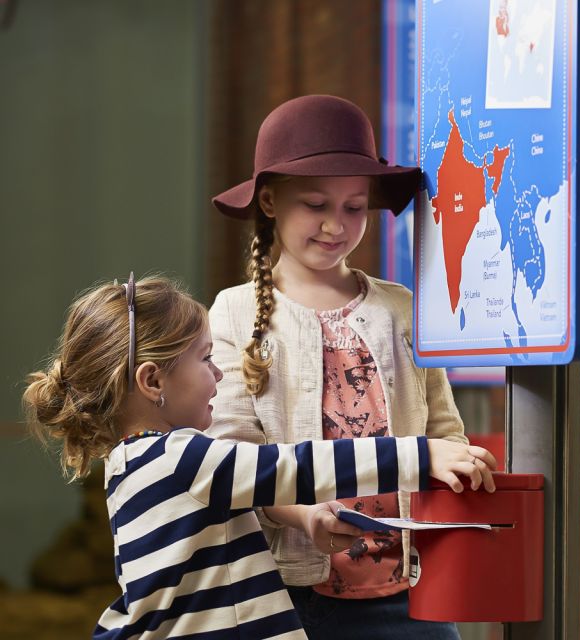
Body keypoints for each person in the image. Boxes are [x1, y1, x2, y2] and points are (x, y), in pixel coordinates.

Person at [22, 275, 495, 639]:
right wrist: (420, 454)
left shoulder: (131, 465)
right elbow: (296, 468)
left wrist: (308, 522)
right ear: (152, 382)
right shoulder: (181, 460)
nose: (220, 376)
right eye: (206, 360)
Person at [207, 94, 475, 638]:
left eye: (354, 208)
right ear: (268, 202)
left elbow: (443, 431)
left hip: (412, 590)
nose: (336, 225)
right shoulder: (234, 312)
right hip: (290, 594)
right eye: (316, 204)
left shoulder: (402, 307)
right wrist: (305, 516)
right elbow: (235, 457)